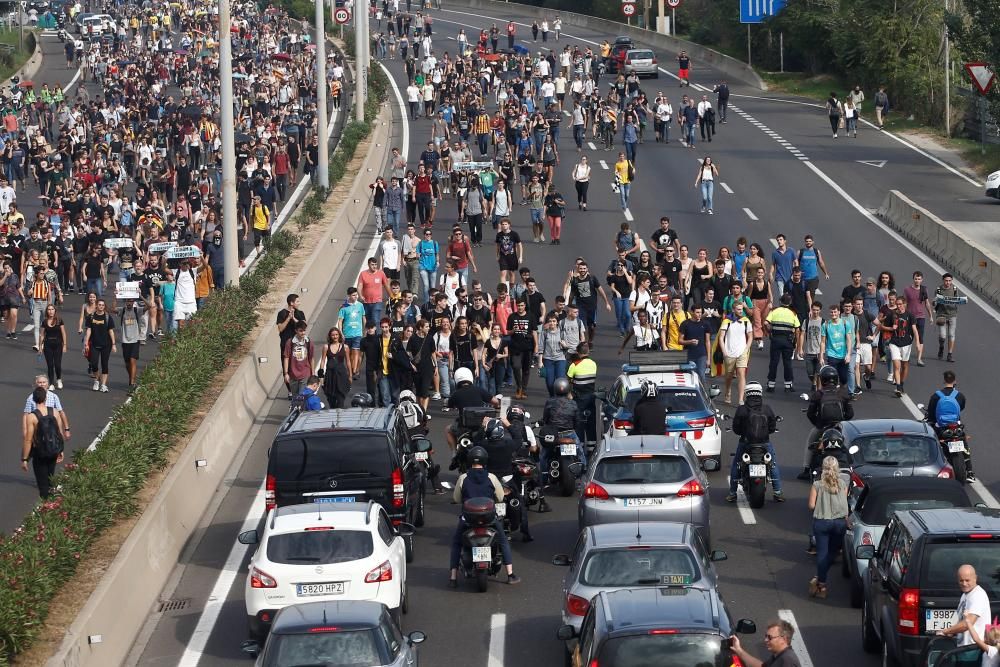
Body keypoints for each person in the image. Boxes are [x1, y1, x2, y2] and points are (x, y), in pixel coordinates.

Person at [448, 445, 520, 587]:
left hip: (467, 519)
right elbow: (499, 497)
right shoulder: (491, 477)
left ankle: (453, 577)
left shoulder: (463, 477)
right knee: (503, 541)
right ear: (485, 460)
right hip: (489, 519)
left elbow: (456, 498)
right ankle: (510, 574)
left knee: (457, 542)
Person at [727, 381, 784, 503]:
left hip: (746, 443)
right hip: (764, 443)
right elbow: (772, 427)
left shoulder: (742, 409)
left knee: (737, 464)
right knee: (772, 464)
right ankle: (777, 492)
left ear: (747, 394)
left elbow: (736, 429)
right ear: (760, 393)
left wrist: (744, 433)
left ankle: (732, 493)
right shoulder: (767, 409)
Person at [479, 417, 533, 542]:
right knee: (520, 504)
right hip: (507, 481)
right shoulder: (508, 444)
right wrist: (508, 424)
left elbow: (476, 440)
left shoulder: (484, 445)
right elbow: (518, 438)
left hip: (490, 480)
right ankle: (526, 533)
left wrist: (483, 425)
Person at [800, 365, 854, 479]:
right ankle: (852, 466)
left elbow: (810, 414)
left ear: (823, 379)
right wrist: (842, 421)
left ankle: (806, 469)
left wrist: (819, 424)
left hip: (822, 426)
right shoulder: (843, 393)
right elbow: (850, 414)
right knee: (849, 443)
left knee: (810, 442)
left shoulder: (818, 394)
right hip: (840, 426)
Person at [808, 455, 849, 599]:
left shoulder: (817, 485)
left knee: (822, 553)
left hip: (822, 523)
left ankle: (822, 584)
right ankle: (820, 578)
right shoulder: (843, 484)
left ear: (823, 468)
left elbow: (811, 505)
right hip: (839, 524)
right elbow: (844, 503)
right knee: (833, 552)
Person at [926, 370, 972, 479]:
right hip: (956, 425)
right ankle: (970, 471)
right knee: (964, 442)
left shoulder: (936, 396)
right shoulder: (959, 395)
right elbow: (961, 407)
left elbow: (931, 413)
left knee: (932, 441)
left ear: (944, 380)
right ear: (955, 381)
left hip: (941, 426)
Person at [21, 386, 65, 499]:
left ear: (34, 399)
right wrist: (61, 451)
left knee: (42, 484)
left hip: (39, 453)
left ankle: (47, 509)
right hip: (53, 451)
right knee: (51, 479)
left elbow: (28, 439)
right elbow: (59, 433)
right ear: (45, 398)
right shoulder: (55, 412)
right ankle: (53, 504)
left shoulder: (31, 416)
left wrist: (25, 459)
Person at [445, 366, 501, 451]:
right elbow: (496, 401)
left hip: (463, 427)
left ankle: (454, 452)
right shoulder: (479, 390)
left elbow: (450, 405)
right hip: (481, 425)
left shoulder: (455, 394)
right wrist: (496, 406)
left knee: (448, 429)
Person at [937, 564, 991, 650]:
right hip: (963, 647)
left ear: (975, 578)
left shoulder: (978, 595)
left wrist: (945, 631)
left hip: (973, 648)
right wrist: (951, 633)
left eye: (967, 580)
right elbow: (961, 619)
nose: (964, 584)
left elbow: (967, 624)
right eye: (961, 580)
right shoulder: (966, 594)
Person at [764, 294, 800, 393]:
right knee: (787, 363)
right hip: (788, 341)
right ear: (790, 302)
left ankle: (771, 385)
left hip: (775, 340)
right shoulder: (792, 313)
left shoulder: (774, 311)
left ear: (780, 301)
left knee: (774, 363)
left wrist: (770, 331)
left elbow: (766, 323)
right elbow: (797, 329)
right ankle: (788, 386)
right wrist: (796, 343)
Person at [731, 620, 802, 667]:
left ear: (783, 639)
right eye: (766, 636)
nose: (765, 640)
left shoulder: (787, 661)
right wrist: (739, 650)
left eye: (770, 637)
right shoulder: (780, 655)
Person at [934, 273, 965, 362]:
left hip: (952, 315)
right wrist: (935, 302)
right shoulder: (938, 289)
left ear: (951, 281)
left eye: (949, 281)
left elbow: (957, 300)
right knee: (943, 336)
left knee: (951, 335)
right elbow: (935, 301)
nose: (948, 282)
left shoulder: (954, 289)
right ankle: (941, 347)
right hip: (942, 315)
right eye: (946, 281)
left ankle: (950, 354)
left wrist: (960, 301)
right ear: (943, 280)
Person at [283, 321, 315, 398]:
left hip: (305, 374)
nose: (303, 333)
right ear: (296, 331)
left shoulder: (308, 341)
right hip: (293, 375)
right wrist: (286, 373)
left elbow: (311, 358)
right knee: (295, 398)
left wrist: (313, 373)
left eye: (304, 330)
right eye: (301, 331)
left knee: (302, 396)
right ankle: (297, 410)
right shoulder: (290, 342)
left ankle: (302, 409)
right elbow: (286, 358)